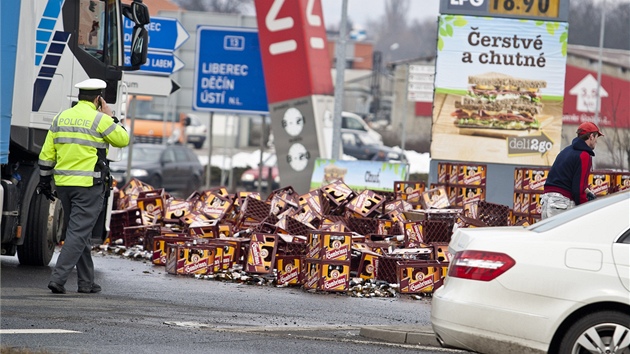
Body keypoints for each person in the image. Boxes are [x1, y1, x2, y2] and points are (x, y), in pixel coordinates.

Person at [38, 78, 130, 294]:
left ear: (79, 97)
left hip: (64, 185)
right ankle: (58, 279)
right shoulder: (100, 120)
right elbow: (123, 139)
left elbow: (46, 153)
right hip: (88, 185)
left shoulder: (61, 117)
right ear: (98, 99)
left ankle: (86, 282)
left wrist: (44, 179)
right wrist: (112, 116)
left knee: (80, 232)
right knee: (78, 233)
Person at [541, 122, 602, 219]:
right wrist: (586, 207)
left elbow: (565, 179)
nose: (596, 141)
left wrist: (589, 193)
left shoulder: (566, 151)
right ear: (591, 136)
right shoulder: (584, 155)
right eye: (596, 137)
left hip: (547, 201)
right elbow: (578, 188)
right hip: (561, 204)